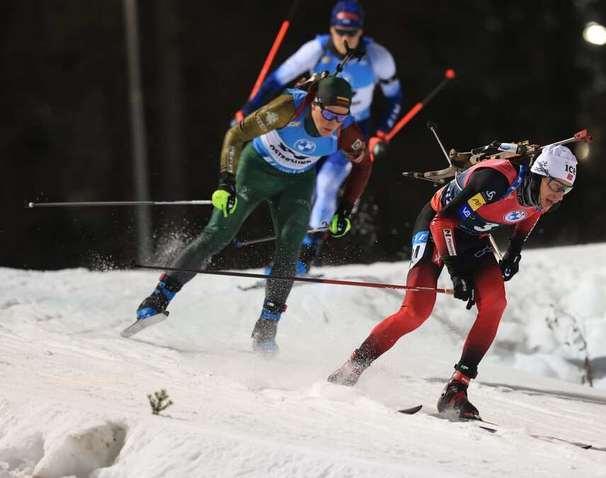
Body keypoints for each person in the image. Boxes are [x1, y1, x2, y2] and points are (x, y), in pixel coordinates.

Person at [327, 143, 578, 419]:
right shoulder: (495, 182)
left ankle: (457, 389)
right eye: (556, 186)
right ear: (540, 174)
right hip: (438, 227)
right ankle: (352, 367)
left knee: (495, 303)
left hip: (472, 237)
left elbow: (528, 215)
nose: (559, 196)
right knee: (416, 311)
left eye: (566, 190)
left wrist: (514, 250)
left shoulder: (540, 196)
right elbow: (442, 222)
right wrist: (457, 272)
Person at [132, 76, 370, 354]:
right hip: (256, 171)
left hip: (296, 183)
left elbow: (364, 166)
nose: (332, 122)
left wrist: (345, 209)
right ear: (315, 104)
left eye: (341, 117)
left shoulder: (346, 133)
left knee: (290, 248)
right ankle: (157, 300)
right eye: (328, 113)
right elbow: (236, 135)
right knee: (217, 235)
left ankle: (267, 326)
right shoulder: (287, 108)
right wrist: (226, 182)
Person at [241, 0, 401, 274]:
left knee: (327, 184)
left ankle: (304, 255)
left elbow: (394, 99)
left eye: (351, 31)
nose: (345, 37)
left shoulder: (378, 57)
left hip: (350, 128)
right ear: (331, 28)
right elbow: (276, 81)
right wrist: (247, 110)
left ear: (361, 31)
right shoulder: (316, 49)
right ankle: (286, 252)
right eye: (340, 31)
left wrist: (380, 134)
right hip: (311, 125)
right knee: (298, 185)